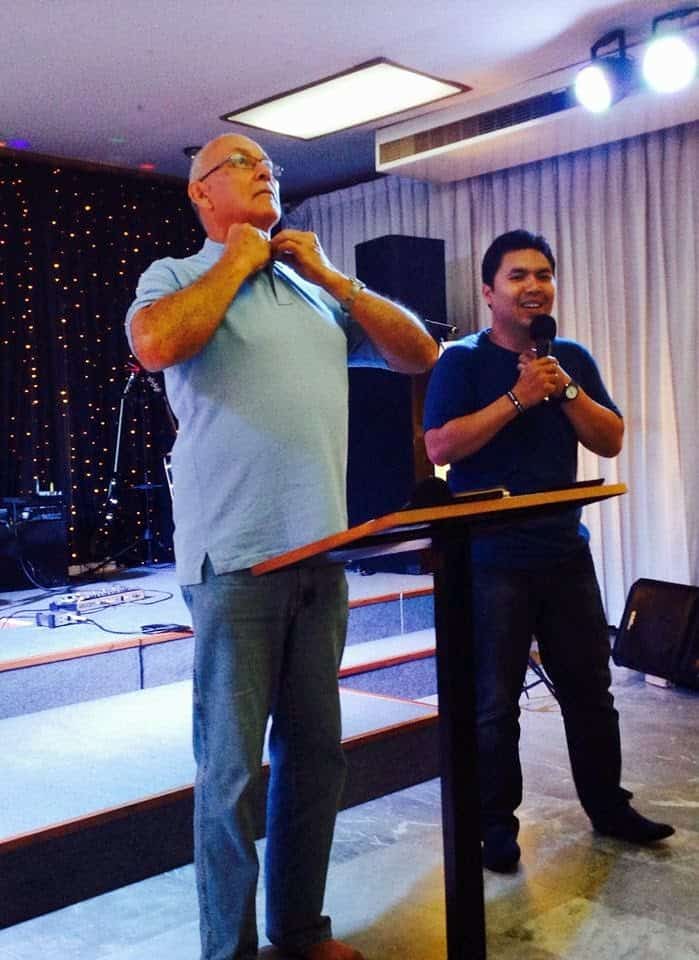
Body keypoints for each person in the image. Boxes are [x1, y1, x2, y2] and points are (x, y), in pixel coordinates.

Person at [125, 133, 437, 960]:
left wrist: (333, 278)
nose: (265, 171)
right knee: (230, 776)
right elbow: (154, 345)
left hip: (319, 557)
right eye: (242, 163)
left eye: (270, 166)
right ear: (200, 192)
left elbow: (419, 353)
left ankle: (298, 931)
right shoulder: (175, 274)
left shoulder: (312, 290)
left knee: (314, 761)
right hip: (234, 561)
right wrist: (237, 259)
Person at [423, 229, 674, 873]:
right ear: (488, 292)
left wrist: (563, 390)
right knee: (494, 704)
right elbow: (440, 446)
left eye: (543, 274)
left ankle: (609, 807)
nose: (534, 286)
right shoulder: (461, 362)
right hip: (490, 560)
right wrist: (517, 399)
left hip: (564, 552)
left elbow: (610, 439)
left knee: (591, 691)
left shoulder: (571, 359)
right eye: (518, 276)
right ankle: (495, 828)